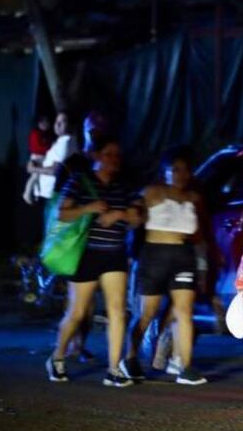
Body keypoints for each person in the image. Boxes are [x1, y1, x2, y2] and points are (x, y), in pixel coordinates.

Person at [45, 135, 142, 387]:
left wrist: (118, 213)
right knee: (77, 312)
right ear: (97, 156)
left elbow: (137, 217)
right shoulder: (80, 181)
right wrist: (89, 208)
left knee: (118, 311)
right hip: (86, 254)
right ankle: (57, 357)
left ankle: (113, 370)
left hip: (114, 254)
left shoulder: (123, 186)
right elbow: (62, 214)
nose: (114, 160)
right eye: (108, 154)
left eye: (117, 156)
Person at [123, 146, 208, 385]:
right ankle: (129, 358)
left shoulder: (194, 198)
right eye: (175, 170)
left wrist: (202, 267)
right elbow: (133, 216)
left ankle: (186, 367)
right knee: (147, 313)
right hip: (154, 256)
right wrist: (131, 215)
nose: (181, 175)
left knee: (184, 313)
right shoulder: (151, 192)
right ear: (166, 172)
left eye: (185, 170)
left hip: (183, 256)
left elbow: (200, 236)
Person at [27, 113, 78, 205]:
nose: (57, 124)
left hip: (48, 195)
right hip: (47, 194)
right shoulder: (61, 141)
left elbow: (55, 170)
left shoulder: (65, 142)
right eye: (56, 121)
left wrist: (34, 169)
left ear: (70, 125)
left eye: (62, 122)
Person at [23, 115, 56, 205]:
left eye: (48, 123)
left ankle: (36, 194)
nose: (47, 125)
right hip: (37, 157)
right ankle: (27, 193)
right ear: (40, 123)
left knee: (39, 177)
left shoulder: (46, 135)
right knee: (35, 176)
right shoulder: (35, 133)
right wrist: (48, 148)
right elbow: (36, 147)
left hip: (42, 157)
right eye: (45, 122)